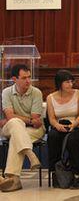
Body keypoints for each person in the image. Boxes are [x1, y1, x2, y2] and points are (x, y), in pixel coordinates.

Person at [0, 64, 45, 192]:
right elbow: (10, 116)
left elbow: (36, 119)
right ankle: (30, 154)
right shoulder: (6, 92)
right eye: (24, 78)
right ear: (14, 79)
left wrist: (20, 119)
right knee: (15, 123)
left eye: (29, 77)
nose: (28, 81)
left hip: (33, 130)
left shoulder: (36, 92)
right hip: (12, 127)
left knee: (16, 136)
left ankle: (13, 179)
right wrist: (28, 120)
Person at [46, 70, 79, 189]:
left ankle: (77, 175)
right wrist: (56, 125)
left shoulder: (78, 93)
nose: (70, 84)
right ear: (60, 83)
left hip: (76, 126)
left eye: (71, 82)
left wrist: (74, 125)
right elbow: (51, 118)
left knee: (73, 140)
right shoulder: (50, 97)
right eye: (67, 82)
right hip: (59, 126)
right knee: (52, 137)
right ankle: (55, 173)